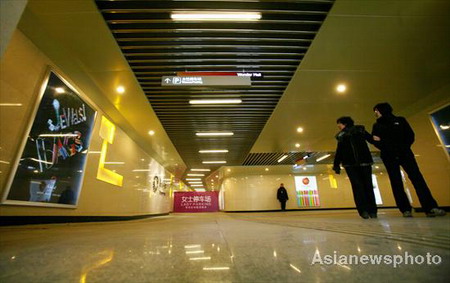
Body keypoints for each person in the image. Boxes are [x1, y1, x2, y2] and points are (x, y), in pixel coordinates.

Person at [371, 102, 446, 217]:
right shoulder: (376, 126)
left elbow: (410, 136)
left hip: (405, 154)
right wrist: (388, 144)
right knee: (396, 182)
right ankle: (405, 209)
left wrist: (391, 144)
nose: (375, 113)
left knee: (417, 179)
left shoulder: (400, 120)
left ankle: (430, 207)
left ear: (382, 110)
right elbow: (375, 141)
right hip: (389, 156)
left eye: (376, 111)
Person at [333, 116, 378, 219]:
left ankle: (363, 211)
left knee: (357, 187)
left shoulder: (343, 135)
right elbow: (370, 139)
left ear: (344, 123)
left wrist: (336, 164)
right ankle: (372, 211)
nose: (338, 126)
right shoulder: (359, 130)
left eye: (339, 124)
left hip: (350, 164)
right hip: (364, 162)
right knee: (368, 186)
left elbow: (339, 151)